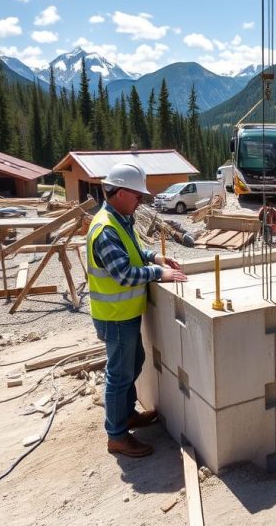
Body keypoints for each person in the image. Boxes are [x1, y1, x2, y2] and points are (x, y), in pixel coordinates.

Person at [87, 162, 188, 458]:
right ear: (118, 192)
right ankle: (116, 436)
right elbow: (124, 273)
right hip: (115, 317)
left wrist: (155, 257)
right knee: (119, 375)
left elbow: (132, 252)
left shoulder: (119, 219)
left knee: (133, 364)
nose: (140, 200)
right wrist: (158, 275)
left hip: (125, 314)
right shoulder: (105, 228)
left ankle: (126, 415)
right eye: (136, 195)